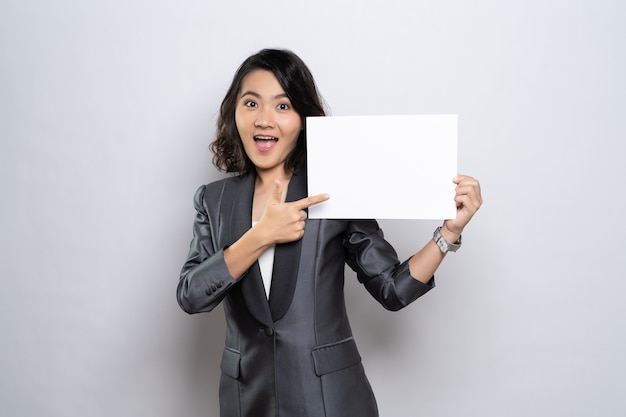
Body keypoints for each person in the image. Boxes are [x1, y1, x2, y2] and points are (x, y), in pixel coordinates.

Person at [177, 48, 482, 417]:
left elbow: (393, 289)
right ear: (234, 113)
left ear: (304, 118)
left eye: (283, 106)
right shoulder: (213, 199)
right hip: (246, 402)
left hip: (328, 399)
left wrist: (447, 234)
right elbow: (192, 295)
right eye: (251, 103)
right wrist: (262, 235)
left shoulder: (336, 189)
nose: (265, 120)